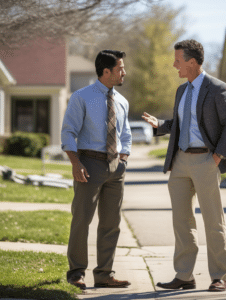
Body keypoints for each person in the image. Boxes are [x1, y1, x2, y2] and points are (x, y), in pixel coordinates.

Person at [142, 39, 226, 292]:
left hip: (206, 160)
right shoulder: (181, 90)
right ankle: (184, 275)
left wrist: (217, 157)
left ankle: (219, 276)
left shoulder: (218, 88)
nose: (175, 65)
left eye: (178, 61)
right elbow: (180, 124)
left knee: (213, 222)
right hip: (180, 161)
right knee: (182, 222)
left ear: (192, 62)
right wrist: (160, 125)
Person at [61, 50, 132, 290]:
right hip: (88, 164)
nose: (124, 72)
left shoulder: (122, 100)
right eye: (120, 68)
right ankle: (76, 272)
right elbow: (68, 131)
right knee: (82, 219)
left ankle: (104, 274)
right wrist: (75, 163)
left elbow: (125, 134)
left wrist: (124, 158)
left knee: (111, 222)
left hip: (116, 167)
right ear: (106, 71)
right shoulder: (81, 97)